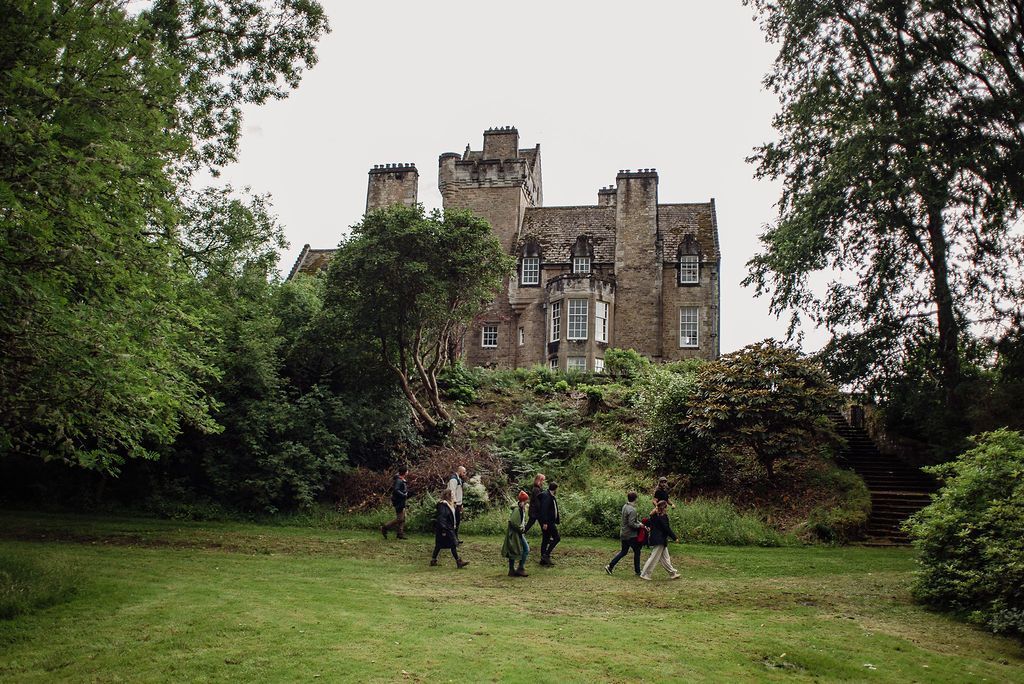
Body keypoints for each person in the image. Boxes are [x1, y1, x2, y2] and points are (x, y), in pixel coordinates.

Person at [605, 491, 645, 576]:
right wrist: (640, 526)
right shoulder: (632, 510)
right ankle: (638, 571)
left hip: (623, 533)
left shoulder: (625, 506)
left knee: (624, 551)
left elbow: (632, 520)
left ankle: (610, 566)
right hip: (631, 535)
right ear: (635, 499)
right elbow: (631, 524)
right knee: (637, 551)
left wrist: (639, 523)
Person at [640, 500, 681, 581]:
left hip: (658, 539)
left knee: (665, 558)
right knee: (654, 557)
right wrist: (674, 537)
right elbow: (667, 529)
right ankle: (645, 574)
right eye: (666, 507)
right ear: (664, 508)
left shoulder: (654, 515)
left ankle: (672, 573)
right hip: (660, 539)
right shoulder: (663, 517)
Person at [431, 489, 469, 568]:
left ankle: (433, 560)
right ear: (449, 496)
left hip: (449, 528)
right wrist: (444, 529)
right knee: (450, 544)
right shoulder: (443, 505)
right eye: (452, 494)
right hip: (445, 529)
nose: (454, 495)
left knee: (442, 545)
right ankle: (458, 561)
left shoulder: (450, 505)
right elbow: (442, 518)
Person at [501, 491, 530, 577]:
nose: (527, 503)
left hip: (517, 533)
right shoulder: (517, 510)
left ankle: (513, 569)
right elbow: (513, 522)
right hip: (515, 533)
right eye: (526, 501)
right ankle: (519, 569)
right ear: (523, 501)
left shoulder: (520, 508)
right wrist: (521, 530)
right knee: (524, 549)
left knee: (514, 550)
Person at [381, 465, 410, 540]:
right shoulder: (399, 480)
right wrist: (403, 495)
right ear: (404, 472)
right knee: (400, 519)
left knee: (403, 517)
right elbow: (396, 490)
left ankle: (400, 534)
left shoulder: (401, 479)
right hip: (398, 501)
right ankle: (385, 527)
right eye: (407, 470)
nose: (408, 471)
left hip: (401, 500)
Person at [537, 481, 561, 566]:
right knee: (557, 538)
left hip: (550, 521)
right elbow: (544, 510)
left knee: (546, 539)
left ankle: (543, 560)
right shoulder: (547, 497)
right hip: (548, 522)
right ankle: (546, 555)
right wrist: (545, 522)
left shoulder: (550, 496)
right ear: (555, 489)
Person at [447, 466, 466, 537]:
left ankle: (455, 538)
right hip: (453, 504)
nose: (464, 474)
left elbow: (459, 493)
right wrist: (454, 503)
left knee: (457, 522)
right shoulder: (453, 479)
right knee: (454, 522)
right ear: (459, 471)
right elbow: (452, 492)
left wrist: (461, 504)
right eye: (463, 472)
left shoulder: (459, 479)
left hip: (458, 504)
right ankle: (453, 539)